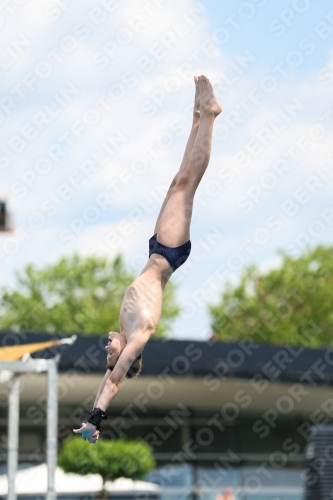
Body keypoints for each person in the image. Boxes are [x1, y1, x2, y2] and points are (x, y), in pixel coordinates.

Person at [73, 75, 222, 443]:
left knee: (178, 181)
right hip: (169, 252)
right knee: (189, 183)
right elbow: (115, 380)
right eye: (111, 354)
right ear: (126, 355)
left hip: (157, 248)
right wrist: (95, 420)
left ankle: (197, 115)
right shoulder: (138, 336)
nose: (107, 348)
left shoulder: (126, 331)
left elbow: (106, 377)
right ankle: (211, 116)